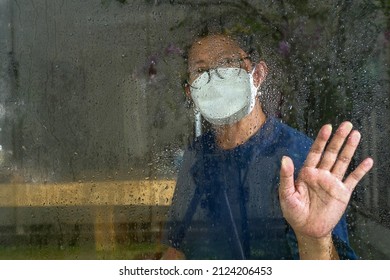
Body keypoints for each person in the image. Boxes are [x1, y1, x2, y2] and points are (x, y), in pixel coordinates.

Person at [161, 34, 373, 260]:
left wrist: (315, 240)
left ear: (258, 75)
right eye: (201, 71)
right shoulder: (197, 154)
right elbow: (179, 249)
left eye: (226, 63)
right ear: (190, 92)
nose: (214, 78)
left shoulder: (299, 158)